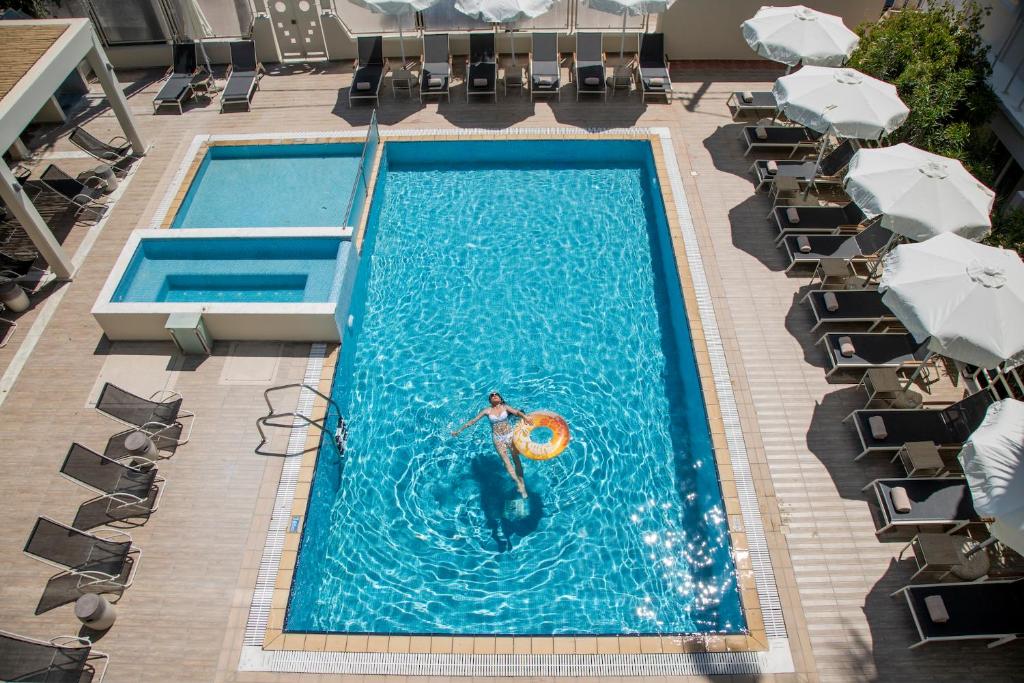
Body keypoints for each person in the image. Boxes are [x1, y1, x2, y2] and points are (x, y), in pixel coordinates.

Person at [452, 392, 531, 498]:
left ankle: (523, 485)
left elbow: (516, 412)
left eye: (496, 394)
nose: (494, 395)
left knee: (516, 460)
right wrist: (459, 430)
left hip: (510, 435)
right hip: (498, 439)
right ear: (490, 400)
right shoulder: (487, 411)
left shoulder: (505, 407)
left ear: (500, 398)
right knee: (507, 462)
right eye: (491, 395)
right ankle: (518, 484)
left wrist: (525, 417)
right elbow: (473, 421)